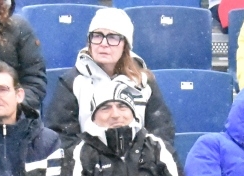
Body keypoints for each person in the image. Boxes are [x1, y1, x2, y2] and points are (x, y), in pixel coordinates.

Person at [48, 7, 175, 147]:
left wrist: (139, 157)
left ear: (125, 45)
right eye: (97, 36)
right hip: (88, 159)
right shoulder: (71, 82)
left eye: (112, 37)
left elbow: (162, 133)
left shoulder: (143, 81)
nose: (103, 43)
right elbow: (63, 138)